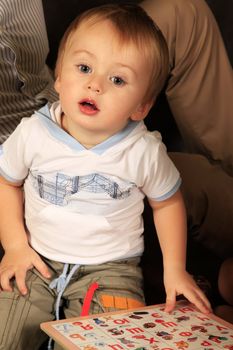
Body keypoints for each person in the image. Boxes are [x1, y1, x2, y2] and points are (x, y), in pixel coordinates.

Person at [0, 4, 212, 349]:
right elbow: (7, 182)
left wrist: (175, 268)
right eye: (84, 68)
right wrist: (14, 246)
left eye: (117, 80)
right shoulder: (33, 133)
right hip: (38, 261)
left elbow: (167, 202)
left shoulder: (142, 150)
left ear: (141, 106)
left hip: (112, 271)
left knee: (113, 342)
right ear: (58, 78)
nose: (95, 84)